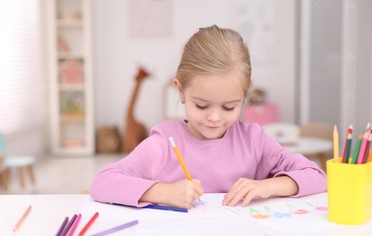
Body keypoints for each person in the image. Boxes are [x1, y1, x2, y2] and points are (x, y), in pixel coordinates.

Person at [90, 25, 326, 209]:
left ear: (244, 97)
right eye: (201, 105)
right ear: (181, 91)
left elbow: (317, 176)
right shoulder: (165, 144)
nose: (214, 117)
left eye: (229, 107)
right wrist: (162, 192)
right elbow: (103, 183)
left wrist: (267, 186)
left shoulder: (254, 141)